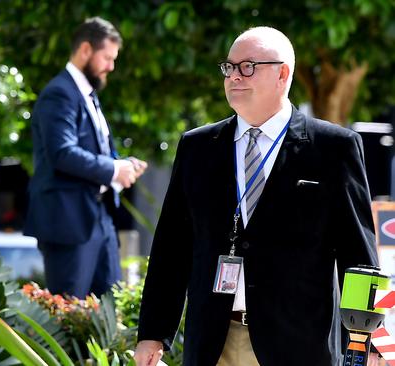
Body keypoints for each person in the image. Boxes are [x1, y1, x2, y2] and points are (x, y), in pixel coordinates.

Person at [134, 27, 379, 366]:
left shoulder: (333, 148)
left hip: (298, 344)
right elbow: (171, 248)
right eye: (229, 67)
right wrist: (152, 333)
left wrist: (364, 342)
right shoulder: (198, 147)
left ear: (282, 73)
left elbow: (359, 258)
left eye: (248, 66)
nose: (234, 76)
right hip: (213, 344)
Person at [23, 17, 147, 298]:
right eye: (107, 58)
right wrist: (114, 169)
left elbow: (93, 153)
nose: (111, 67)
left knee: (109, 311)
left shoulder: (88, 95)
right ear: (85, 50)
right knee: (69, 319)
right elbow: (61, 153)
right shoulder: (59, 93)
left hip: (99, 218)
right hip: (68, 222)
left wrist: (123, 164)